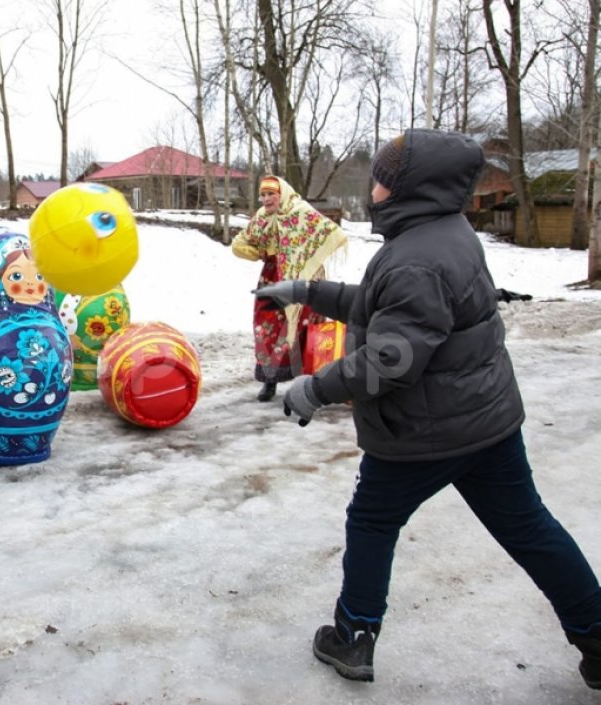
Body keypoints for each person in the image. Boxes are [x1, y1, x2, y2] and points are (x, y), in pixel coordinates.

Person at [254, 128, 601, 688]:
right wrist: (307, 291)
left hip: (423, 429)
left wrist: (314, 389)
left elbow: (390, 357)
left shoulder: (414, 258)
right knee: (529, 527)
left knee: (372, 519)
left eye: (386, 177)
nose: (376, 184)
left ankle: (354, 635)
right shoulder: (443, 233)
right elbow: (383, 307)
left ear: (411, 187)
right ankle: (597, 633)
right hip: (485, 419)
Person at [231, 175, 347, 401]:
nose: (266, 199)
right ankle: (269, 380)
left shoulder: (300, 211)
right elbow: (239, 243)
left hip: (303, 277)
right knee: (268, 327)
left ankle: (311, 381)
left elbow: (331, 232)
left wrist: (309, 258)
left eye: (270, 194)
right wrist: (258, 253)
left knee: (306, 327)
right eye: (262, 195)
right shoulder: (262, 218)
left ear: (281, 193)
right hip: (272, 277)